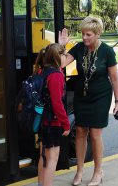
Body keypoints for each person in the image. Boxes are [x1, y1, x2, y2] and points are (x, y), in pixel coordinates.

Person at [58, 16, 118, 186]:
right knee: (80, 132)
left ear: (97, 34)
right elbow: (62, 63)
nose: (84, 38)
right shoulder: (79, 48)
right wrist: (62, 46)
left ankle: (98, 171)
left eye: (88, 34)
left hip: (101, 97)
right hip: (82, 96)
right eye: (83, 34)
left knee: (95, 133)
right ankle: (79, 171)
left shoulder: (107, 51)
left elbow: (114, 79)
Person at [37, 43, 70, 186]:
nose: (66, 57)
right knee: (52, 159)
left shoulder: (42, 71)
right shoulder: (56, 76)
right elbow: (57, 103)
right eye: (64, 55)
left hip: (42, 120)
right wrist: (66, 124)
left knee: (43, 156)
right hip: (53, 122)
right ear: (58, 57)